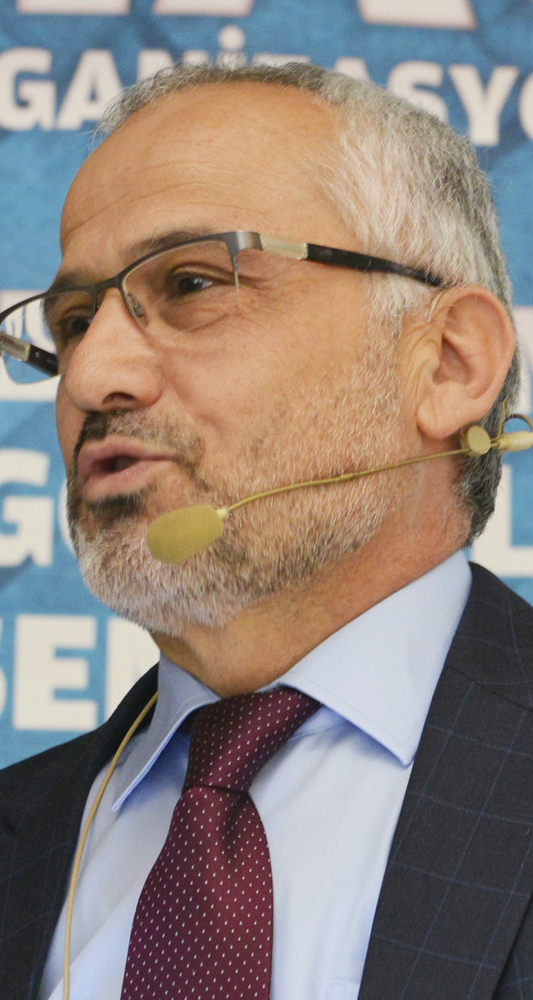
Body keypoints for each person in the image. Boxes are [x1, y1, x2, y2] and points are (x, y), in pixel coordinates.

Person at [1, 61, 532, 1000]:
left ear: (448, 363)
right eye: (74, 321)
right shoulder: (24, 831)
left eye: (192, 281)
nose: (88, 377)